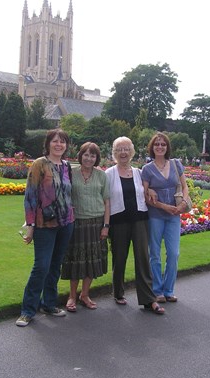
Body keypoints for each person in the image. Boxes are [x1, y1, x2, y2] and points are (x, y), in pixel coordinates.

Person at [16, 129, 74, 327]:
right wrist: (30, 226)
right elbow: (30, 197)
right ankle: (27, 310)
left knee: (55, 266)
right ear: (48, 144)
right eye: (55, 141)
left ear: (66, 145)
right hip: (44, 224)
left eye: (63, 142)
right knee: (41, 266)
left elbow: (69, 194)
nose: (59, 145)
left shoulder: (67, 166)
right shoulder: (39, 164)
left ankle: (49, 304)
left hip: (66, 223)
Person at [105, 137, 165, 315]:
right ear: (115, 153)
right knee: (119, 258)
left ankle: (149, 299)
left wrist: (151, 190)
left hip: (140, 219)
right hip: (118, 222)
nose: (123, 152)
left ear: (131, 152)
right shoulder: (109, 173)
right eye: (119, 149)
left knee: (142, 259)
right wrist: (105, 224)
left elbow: (148, 189)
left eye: (126, 149)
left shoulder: (139, 172)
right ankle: (118, 292)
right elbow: (105, 200)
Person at [61, 142, 110, 311]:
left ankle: (85, 295)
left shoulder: (102, 175)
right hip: (76, 223)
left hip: (96, 223)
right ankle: (72, 296)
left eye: (93, 155)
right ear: (80, 155)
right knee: (76, 261)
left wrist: (106, 226)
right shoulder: (70, 173)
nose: (89, 158)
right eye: (86, 154)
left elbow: (107, 201)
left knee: (91, 261)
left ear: (97, 158)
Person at [141, 132, 189, 304]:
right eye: (156, 144)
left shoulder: (176, 164)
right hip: (156, 215)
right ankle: (157, 290)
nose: (160, 147)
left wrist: (183, 202)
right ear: (152, 147)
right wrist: (162, 206)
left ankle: (169, 289)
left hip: (174, 215)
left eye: (163, 144)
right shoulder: (147, 169)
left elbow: (185, 186)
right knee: (154, 253)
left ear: (167, 147)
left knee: (174, 253)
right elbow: (145, 195)